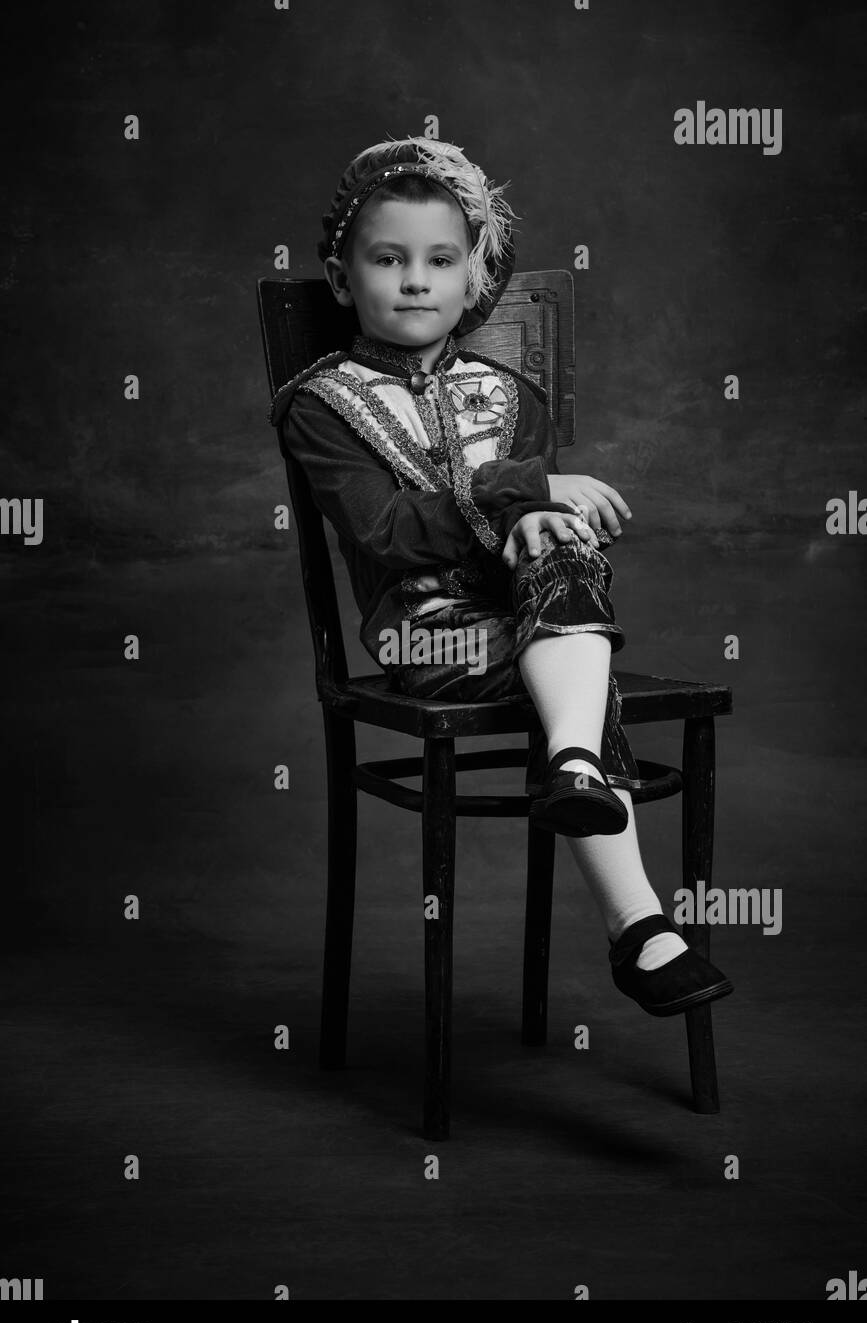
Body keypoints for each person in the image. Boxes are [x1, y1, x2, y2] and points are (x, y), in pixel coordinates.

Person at [269, 135, 733, 1018]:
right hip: (427, 635)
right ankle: (636, 920)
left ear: (470, 278)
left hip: (532, 622)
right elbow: (387, 530)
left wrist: (543, 518)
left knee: (565, 554)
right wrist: (525, 487)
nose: (415, 280)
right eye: (388, 260)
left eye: (440, 261)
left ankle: (573, 775)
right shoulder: (319, 405)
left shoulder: (508, 393)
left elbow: (525, 524)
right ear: (340, 280)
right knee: (577, 675)